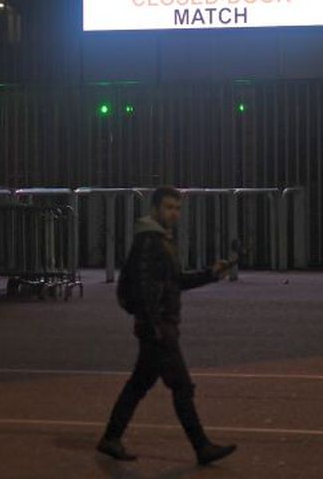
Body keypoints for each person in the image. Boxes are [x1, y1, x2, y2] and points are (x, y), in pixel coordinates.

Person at [96, 186, 237, 466]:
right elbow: (144, 288)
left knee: (139, 383)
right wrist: (154, 327)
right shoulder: (150, 241)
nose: (174, 213)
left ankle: (111, 437)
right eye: (169, 207)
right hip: (159, 326)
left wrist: (210, 274)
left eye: (177, 208)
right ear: (155, 209)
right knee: (182, 386)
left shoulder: (161, 240)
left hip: (158, 324)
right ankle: (201, 447)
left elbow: (176, 282)